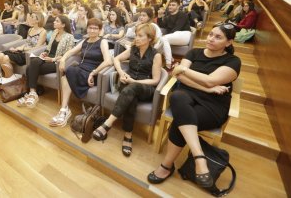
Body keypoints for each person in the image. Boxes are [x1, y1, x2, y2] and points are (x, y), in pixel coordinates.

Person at [147, 24, 241, 189]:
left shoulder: (233, 61)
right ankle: (199, 157)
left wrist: (183, 69)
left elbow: (210, 79)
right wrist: (207, 88)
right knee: (177, 96)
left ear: (229, 42)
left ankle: (166, 166)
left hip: (213, 106)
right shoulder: (194, 52)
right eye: (211, 34)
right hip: (187, 96)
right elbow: (181, 79)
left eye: (218, 37)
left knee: (180, 121)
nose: (211, 38)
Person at [92, 24, 162, 157]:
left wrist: (133, 81)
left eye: (140, 36)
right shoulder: (133, 49)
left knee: (133, 88)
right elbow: (117, 59)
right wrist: (121, 73)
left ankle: (107, 124)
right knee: (131, 96)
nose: (136, 38)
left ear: (150, 38)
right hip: (128, 83)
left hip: (145, 87)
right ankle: (128, 135)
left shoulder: (156, 55)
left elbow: (155, 80)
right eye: (136, 34)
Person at [49, 18, 112, 127]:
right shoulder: (85, 41)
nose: (92, 31)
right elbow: (71, 51)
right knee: (66, 75)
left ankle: (64, 111)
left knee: (69, 71)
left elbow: (108, 61)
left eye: (95, 28)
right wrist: (63, 60)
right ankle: (64, 110)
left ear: (100, 30)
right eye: (90, 28)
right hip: (81, 70)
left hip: (92, 73)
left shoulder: (103, 42)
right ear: (87, 28)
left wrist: (94, 72)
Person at [18, 15, 75, 108]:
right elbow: (48, 48)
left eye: (57, 21)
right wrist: (44, 53)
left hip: (56, 61)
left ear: (63, 24)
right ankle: (33, 93)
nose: (54, 22)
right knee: (34, 62)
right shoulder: (55, 32)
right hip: (47, 58)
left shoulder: (69, 37)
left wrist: (53, 59)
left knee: (30, 68)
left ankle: (30, 93)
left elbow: (68, 54)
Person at [0, 12, 46, 83]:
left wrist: (22, 49)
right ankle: (11, 79)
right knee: (0, 55)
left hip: (29, 54)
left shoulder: (43, 32)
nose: (30, 18)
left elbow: (37, 48)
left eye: (32, 17)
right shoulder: (30, 29)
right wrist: (17, 48)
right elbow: (27, 43)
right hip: (23, 50)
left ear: (38, 20)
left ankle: (9, 81)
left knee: (6, 58)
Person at [158, 0, 191, 70]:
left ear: (178, 6)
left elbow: (177, 28)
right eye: (170, 5)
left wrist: (165, 36)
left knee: (163, 38)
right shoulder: (168, 16)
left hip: (184, 35)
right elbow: (162, 25)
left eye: (173, 5)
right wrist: (160, 16)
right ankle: (170, 62)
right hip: (174, 35)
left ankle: (169, 63)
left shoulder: (182, 15)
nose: (170, 6)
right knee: (161, 40)